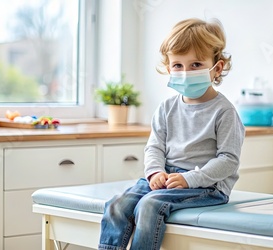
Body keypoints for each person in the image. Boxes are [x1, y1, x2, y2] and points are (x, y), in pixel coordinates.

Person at [98, 17, 245, 250]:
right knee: (117, 204)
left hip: (207, 187)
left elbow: (228, 160)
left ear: (216, 68)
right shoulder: (166, 108)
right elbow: (154, 147)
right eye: (178, 65)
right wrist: (155, 171)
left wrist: (190, 179)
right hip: (167, 179)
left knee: (149, 205)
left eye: (196, 64)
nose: (186, 72)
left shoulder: (224, 111)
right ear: (168, 68)